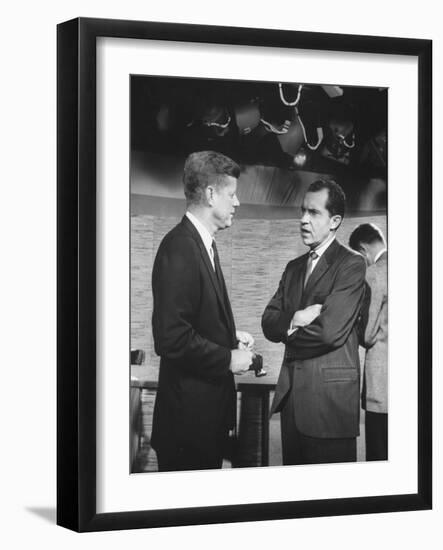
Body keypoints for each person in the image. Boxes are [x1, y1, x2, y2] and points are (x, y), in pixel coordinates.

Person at [150, 150, 254, 472]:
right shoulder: (180, 247)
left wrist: (228, 336)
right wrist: (228, 358)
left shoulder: (202, 244)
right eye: (232, 194)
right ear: (210, 194)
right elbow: (171, 338)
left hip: (200, 424)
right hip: (186, 428)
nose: (237, 203)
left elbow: (190, 318)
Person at [262, 179, 366, 465]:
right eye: (302, 211)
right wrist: (296, 318)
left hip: (330, 405)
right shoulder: (293, 268)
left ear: (335, 221)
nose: (303, 220)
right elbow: (268, 321)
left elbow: (329, 333)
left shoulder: (352, 264)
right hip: (293, 399)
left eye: (313, 213)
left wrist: (288, 333)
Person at [349, 223, 388, 461]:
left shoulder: (374, 273)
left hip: (382, 388)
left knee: (380, 456)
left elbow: (367, 334)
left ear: (362, 250)